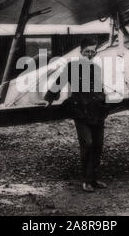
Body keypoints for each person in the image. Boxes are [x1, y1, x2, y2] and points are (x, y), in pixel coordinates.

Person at [44, 38, 108, 192]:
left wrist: (104, 103)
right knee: (87, 144)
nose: (90, 54)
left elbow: (100, 89)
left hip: (97, 111)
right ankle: (86, 181)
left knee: (98, 145)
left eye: (93, 51)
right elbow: (59, 83)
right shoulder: (72, 66)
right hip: (80, 112)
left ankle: (95, 178)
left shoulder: (96, 68)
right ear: (81, 51)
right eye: (87, 51)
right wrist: (50, 99)